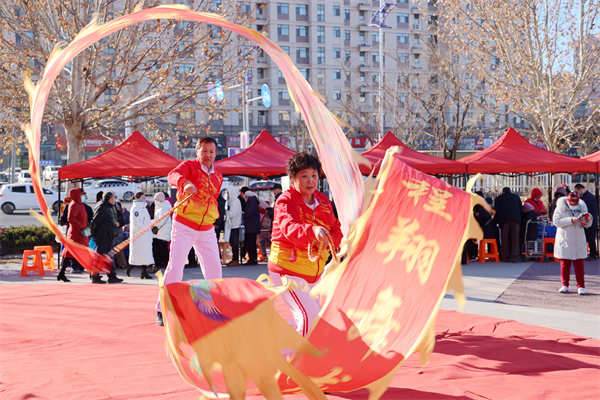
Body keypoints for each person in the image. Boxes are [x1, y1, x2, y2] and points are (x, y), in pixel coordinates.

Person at [268, 152, 343, 338]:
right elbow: (290, 229)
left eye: (314, 175)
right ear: (293, 178)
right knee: (309, 317)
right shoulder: (285, 201)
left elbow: (336, 228)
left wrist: (328, 241)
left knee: (300, 320)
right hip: (287, 270)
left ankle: (283, 357)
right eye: (304, 176)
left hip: (313, 274)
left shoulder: (324, 201)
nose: (310, 181)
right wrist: (314, 231)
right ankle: (297, 364)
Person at [156, 136, 223, 326]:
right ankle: (163, 308)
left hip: (207, 228)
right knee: (176, 267)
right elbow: (172, 175)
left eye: (211, 151)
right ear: (197, 151)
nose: (208, 154)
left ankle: (215, 306)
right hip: (184, 224)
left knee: (215, 271)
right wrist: (185, 183)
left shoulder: (218, 176)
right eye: (204, 151)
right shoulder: (189, 166)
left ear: (216, 153)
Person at [553, 192, 593, 295]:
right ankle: (564, 285)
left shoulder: (582, 207)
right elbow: (556, 222)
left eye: (576, 204)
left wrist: (588, 220)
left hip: (578, 240)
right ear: (568, 201)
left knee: (579, 264)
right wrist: (571, 220)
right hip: (564, 239)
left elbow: (587, 225)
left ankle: (581, 286)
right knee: (564, 264)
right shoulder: (559, 208)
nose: (574, 206)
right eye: (572, 204)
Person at [89, 190, 123, 284]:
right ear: (110, 199)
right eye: (114, 198)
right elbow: (95, 222)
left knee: (108, 257)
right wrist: (94, 234)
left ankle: (111, 276)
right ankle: (94, 276)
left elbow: (105, 221)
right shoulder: (102, 208)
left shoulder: (106, 207)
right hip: (102, 236)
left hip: (107, 236)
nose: (115, 200)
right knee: (99, 257)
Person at [57, 188, 89, 282]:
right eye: (82, 194)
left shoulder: (79, 205)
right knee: (83, 254)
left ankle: (61, 274)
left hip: (78, 233)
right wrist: (82, 226)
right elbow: (71, 218)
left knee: (68, 255)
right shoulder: (74, 205)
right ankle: (94, 274)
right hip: (76, 234)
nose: (83, 196)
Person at [126, 192, 154, 279]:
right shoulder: (135, 208)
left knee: (145, 255)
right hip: (139, 235)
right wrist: (144, 228)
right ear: (137, 198)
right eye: (143, 197)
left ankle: (144, 272)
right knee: (138, 253)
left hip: (145, 235)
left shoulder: (143, 208)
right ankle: (130, 266)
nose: (144, 198)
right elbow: (135, 221)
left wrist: (150, 226)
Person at [494, 187, 523, 263]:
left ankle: (505, 257)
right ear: (510, 191)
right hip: (516, 219)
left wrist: (495, 221)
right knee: (515, 238)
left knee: (505, 238)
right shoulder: (516, 197)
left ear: (503, 192)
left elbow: (495, 210)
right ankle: (515, 257)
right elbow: (521, 209)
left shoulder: (499, 198)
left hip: (504, 220)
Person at [575, 183, 598, 260]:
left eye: (577, 191)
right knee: (585, 237)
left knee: (590, 238)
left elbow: (591, 208)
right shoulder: (584, 197)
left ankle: (592, 254)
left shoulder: (590, 197)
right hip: (586, 220)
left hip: (591, 220)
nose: (577, 193)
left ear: (581, 189)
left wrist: (582, 211)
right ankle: (587, 253)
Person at [152, 192, 172, 272]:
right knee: (156, 250)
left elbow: (161, 220)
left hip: (162, 233)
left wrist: (151, 223)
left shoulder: (163, 208)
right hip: (158, 233)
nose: (155, 201)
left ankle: (171, 265)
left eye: (156, 200)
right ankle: (156, 266)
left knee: (163, 251)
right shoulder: (160, 207)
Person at [242, 189, 261, 265]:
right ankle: (253, 259)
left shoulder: (251, 203)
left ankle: (252, 259)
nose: (245, 198)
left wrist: (243, 214)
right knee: (251, 243)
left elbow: (248, 214)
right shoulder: (253, 202)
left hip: (251, 227)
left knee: (250, 244)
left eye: (245, 197)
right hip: (253, 227)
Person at [226, 190, 242, 266]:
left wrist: (225, 211)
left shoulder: (235, 202)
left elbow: (232, 214)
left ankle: (235, 260)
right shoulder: (233, 201)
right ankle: (234, 259)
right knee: (232, 243)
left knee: (234, 243)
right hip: (233, 225)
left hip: (234, 225)